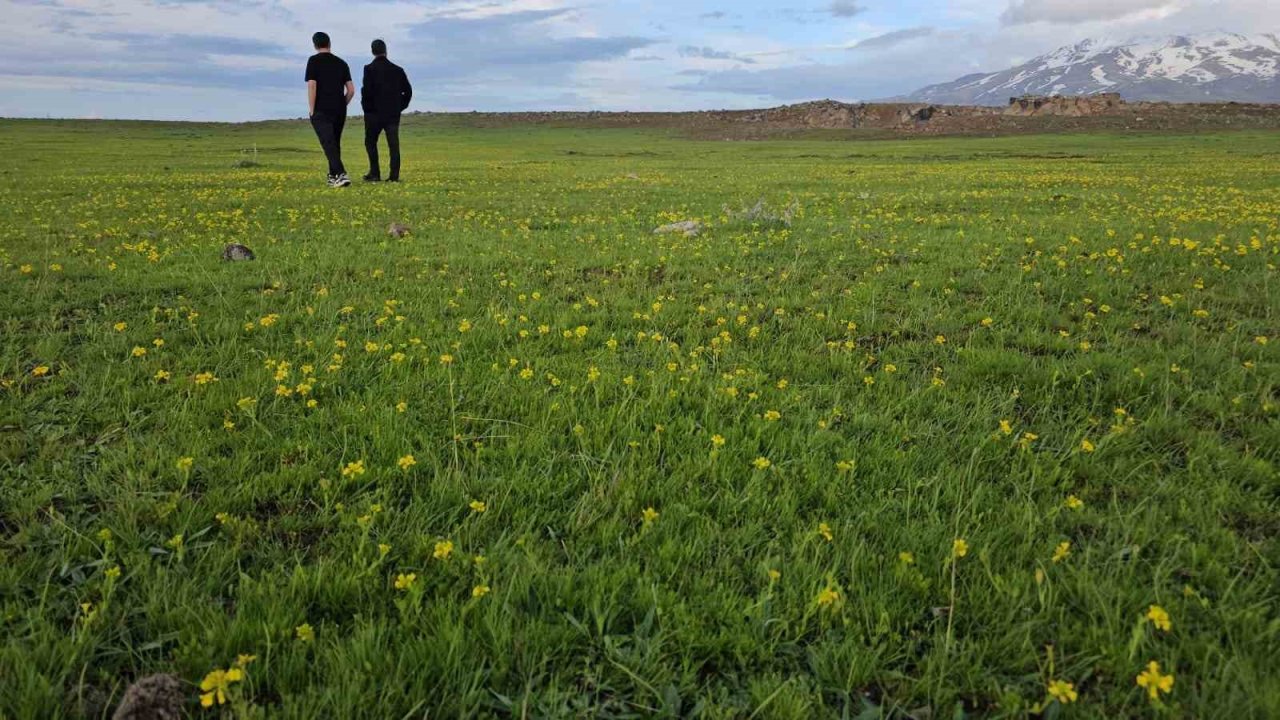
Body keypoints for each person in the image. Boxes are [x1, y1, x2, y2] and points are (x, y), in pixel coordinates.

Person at [305, 32, 355, 188]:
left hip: (321, 108)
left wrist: (312, 109)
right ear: (329, 43)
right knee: (334, 142)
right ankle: (333, 176)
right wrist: (342, 105)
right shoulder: (342, 63)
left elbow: (312, 85)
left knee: (327, 143)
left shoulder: (313, 61)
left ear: (315, 45)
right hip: (339, 109)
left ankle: (341, 174)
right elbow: (351, 90)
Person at [361, 39, 413, 183]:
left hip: (373, 114)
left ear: (372, 51)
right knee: (393, 145)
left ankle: (375, 173)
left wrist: (367, 109)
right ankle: (394, 176)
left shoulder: (369, 69)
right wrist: (400, 107)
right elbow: (408, 92)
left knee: (370, 142)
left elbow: (366, 92)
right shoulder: (397, 70)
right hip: (392, 114)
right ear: (386, 51)